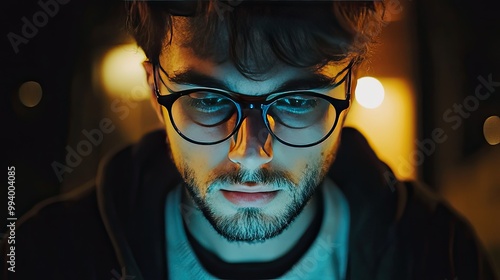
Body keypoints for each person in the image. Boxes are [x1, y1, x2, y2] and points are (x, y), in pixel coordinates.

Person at [1, 1, 498, 279]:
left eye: (298, 100)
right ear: (156, 90)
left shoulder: (441, 256)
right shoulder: (43, 257)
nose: (249, 152)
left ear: (346, 89)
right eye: (210, 99)